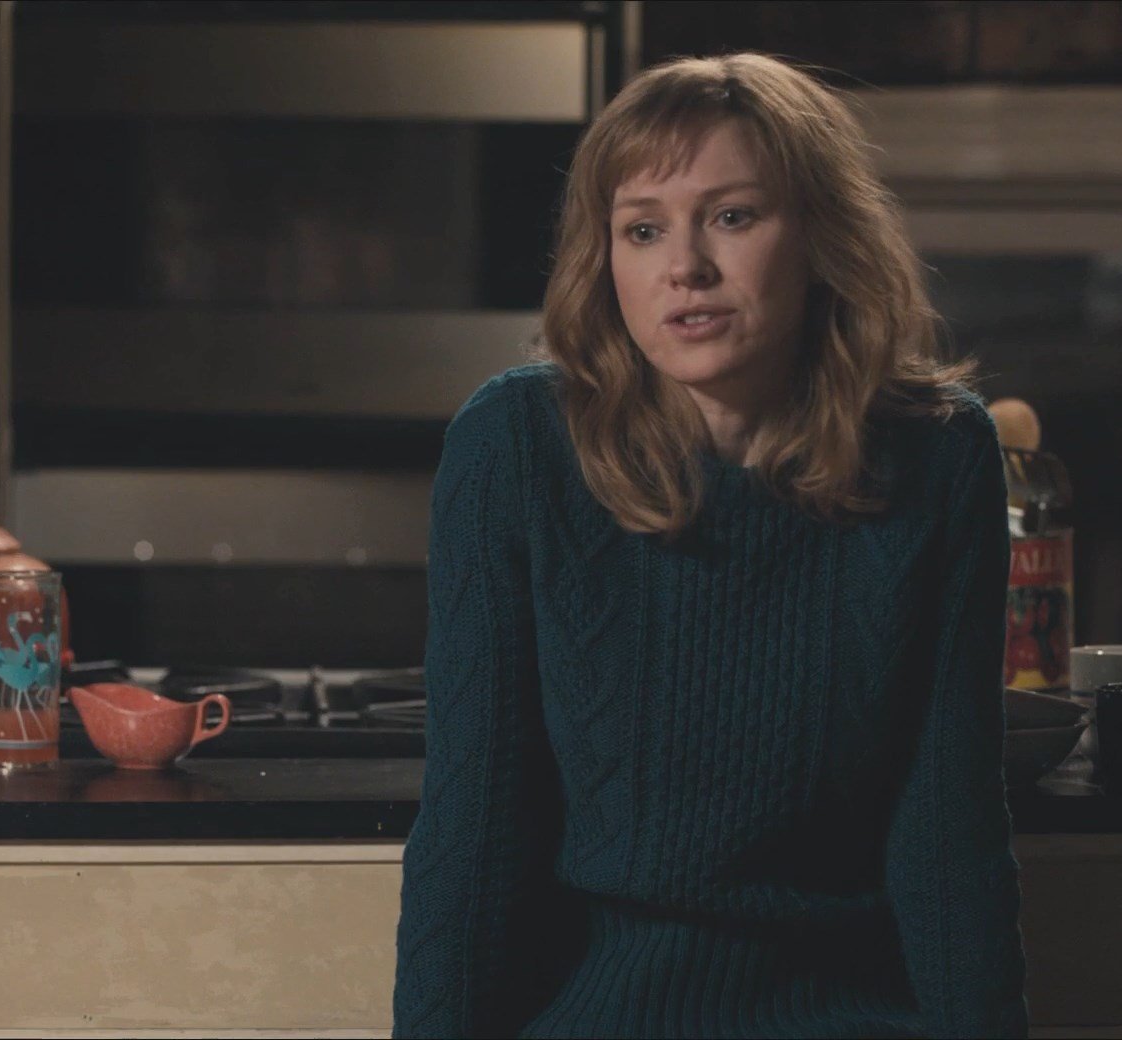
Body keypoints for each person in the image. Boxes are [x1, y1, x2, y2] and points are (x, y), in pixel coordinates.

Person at [392, 52, 1027, 1039]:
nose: (684, 266)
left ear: (820, 234)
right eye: (643, 229)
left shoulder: (939, 454)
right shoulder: (516, 446)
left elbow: (948, 828)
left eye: (732, 216)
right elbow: (474, 826)